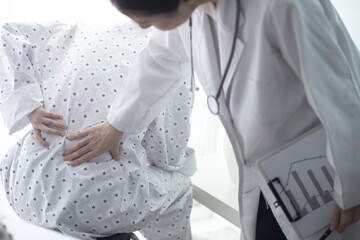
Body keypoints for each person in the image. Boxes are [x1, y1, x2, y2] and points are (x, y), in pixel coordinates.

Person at [62, 0, 360, 239]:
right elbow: (159, 60)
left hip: (326, 174)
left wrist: (352, 189)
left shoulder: (284, 7)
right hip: (266, 177)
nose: (141, 26)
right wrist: (116, 125)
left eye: (148, 19)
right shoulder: (191, 12)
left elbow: (342, 98)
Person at [0, 21, 195, 240]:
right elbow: (167, 155)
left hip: (27, 190)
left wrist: (29, 106)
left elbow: (6, 32)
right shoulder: (173, 69)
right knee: (180, 184)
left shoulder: (74, 32)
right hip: (99, 206)